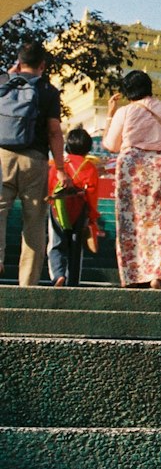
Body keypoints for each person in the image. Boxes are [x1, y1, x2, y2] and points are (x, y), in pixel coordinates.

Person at [102, 69, 161, 289]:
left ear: (127, 91)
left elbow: (111, 145)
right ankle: (158, 273)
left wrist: (110, 114)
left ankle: (134, 274)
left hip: (132, 167)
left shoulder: (125, 112)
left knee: (131, 220)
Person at [0, 39, 66, 286]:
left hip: (2, 156)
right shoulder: (48, 91)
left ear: (19, 62)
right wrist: (59, 168)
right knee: (34, 222)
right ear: (43, 64)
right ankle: (28, 283)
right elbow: (54, 132)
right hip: (34, 160)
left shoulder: (4, 84)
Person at [47, 126, 101, 287]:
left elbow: (51, 185)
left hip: (58, 206)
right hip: (80, 209)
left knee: (56, 243)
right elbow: (92, 193)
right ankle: (73, 281)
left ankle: (58, 274)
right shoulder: (89, 166)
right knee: (76, 246)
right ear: (88, 147)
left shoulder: (59, 163)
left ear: (67, 145)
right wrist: (92, 216)